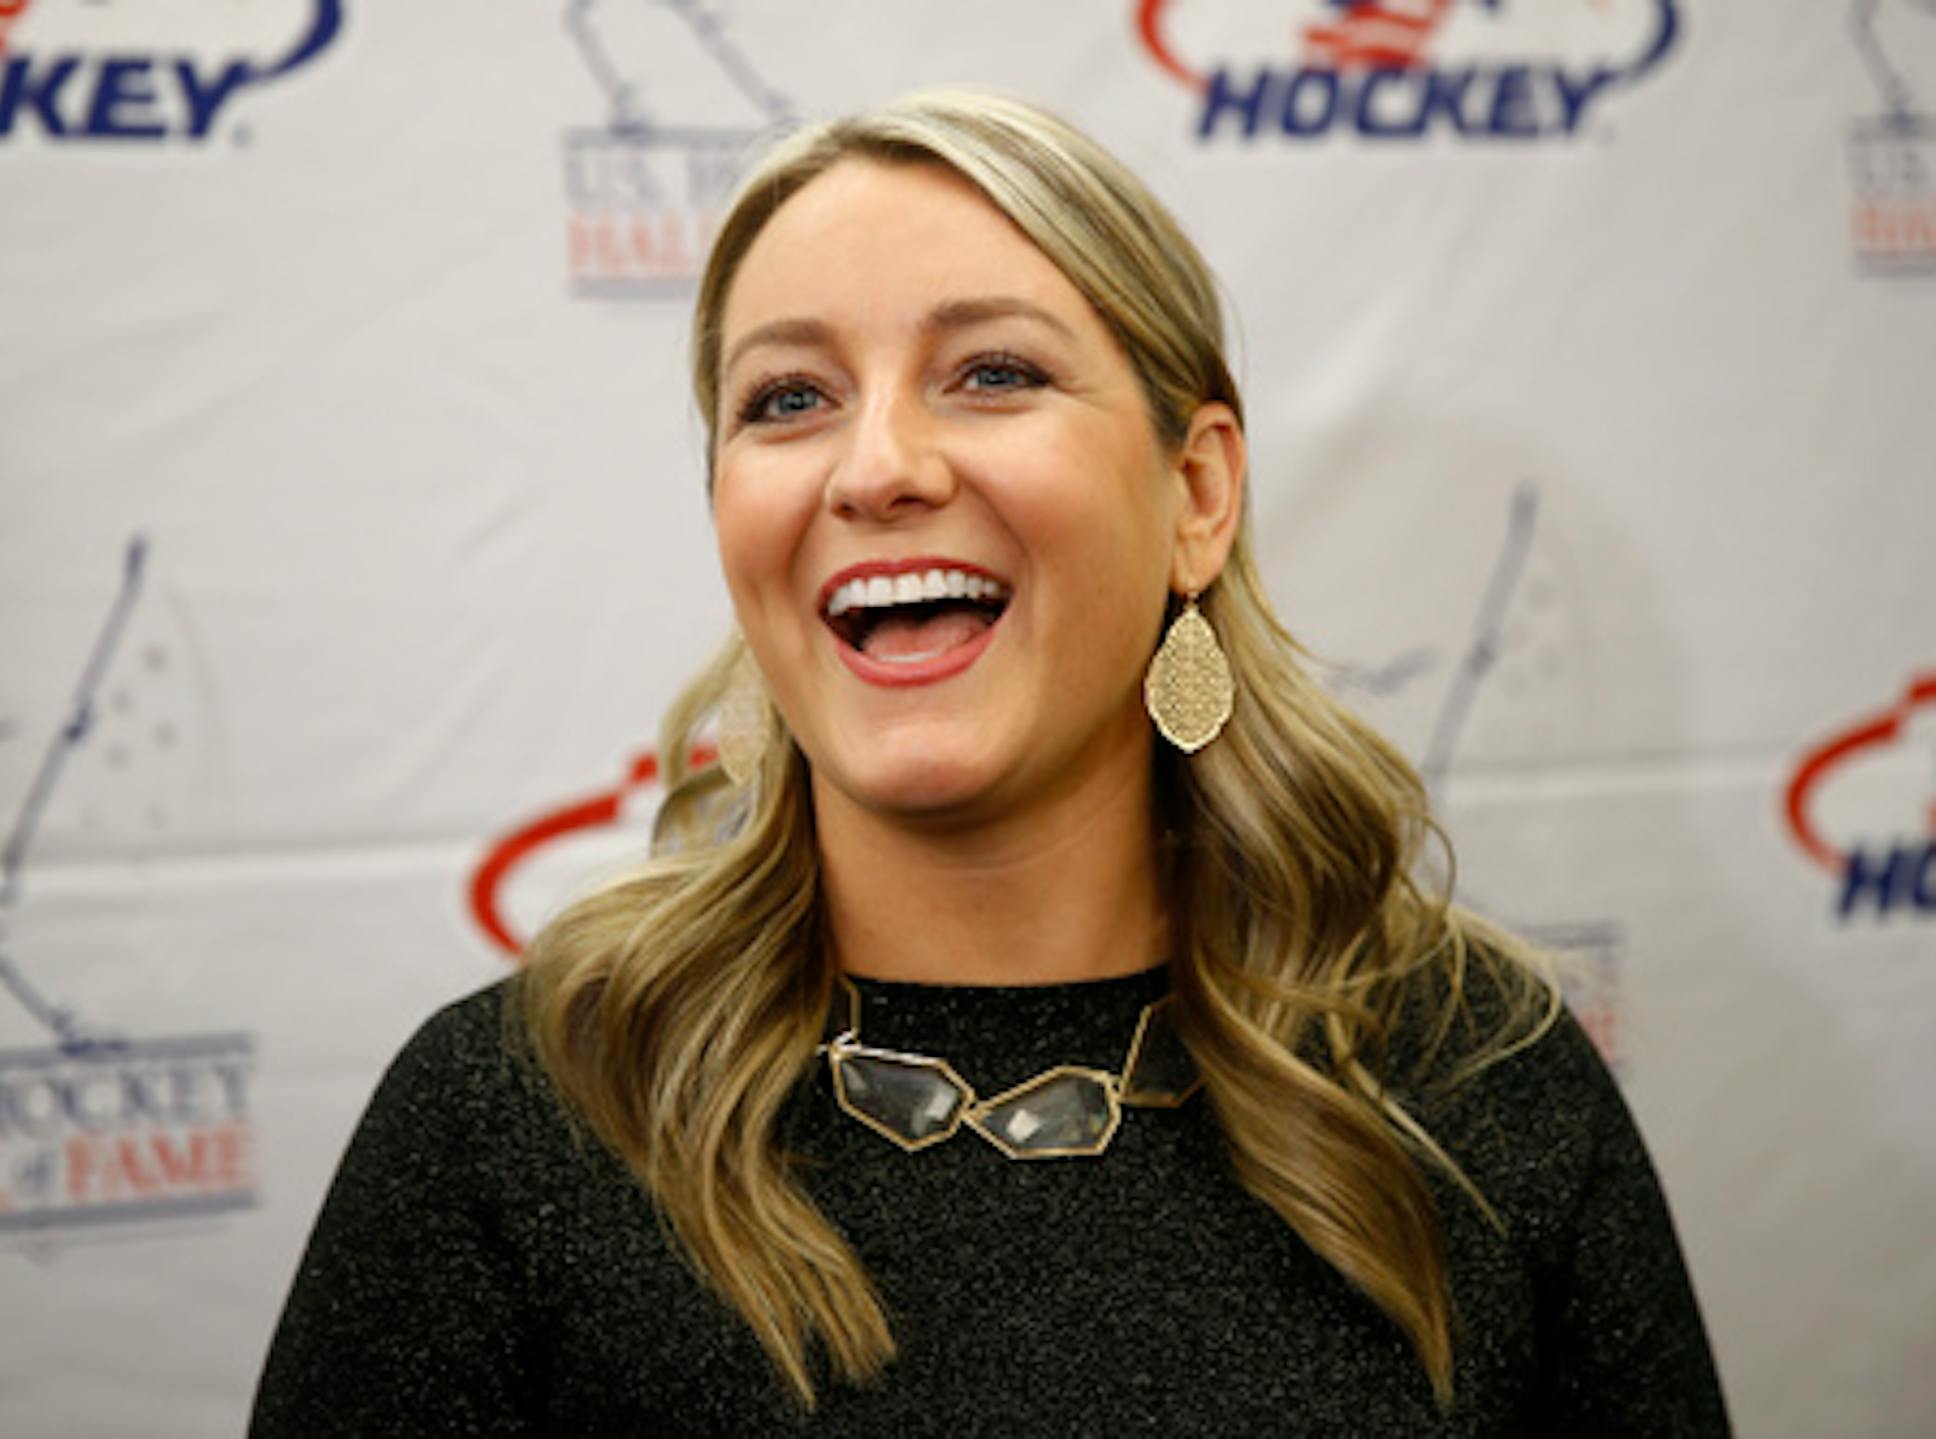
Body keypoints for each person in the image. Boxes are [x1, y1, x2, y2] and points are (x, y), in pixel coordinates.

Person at [252, 90, 1731, 1436]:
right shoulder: (519, 1115)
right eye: (787, 399)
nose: (877, 465)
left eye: (992, 372)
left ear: (1197, 494)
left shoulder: (1477, 1079)